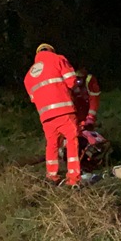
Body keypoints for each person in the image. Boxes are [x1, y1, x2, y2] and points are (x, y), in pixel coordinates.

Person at [23, 43, 81, 186]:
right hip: (64, 110)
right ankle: (73, 178)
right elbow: (71, 81)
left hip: (46, 116)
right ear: (51, 51)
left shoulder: (28, 76)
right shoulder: (58, 59)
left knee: (52, 145)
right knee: (72, 141)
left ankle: (52, 176)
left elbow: (33, 98)